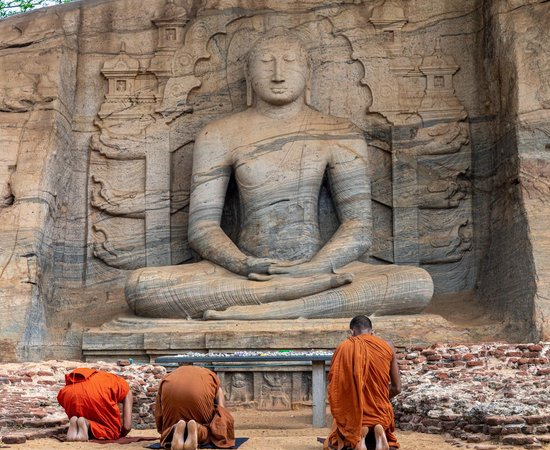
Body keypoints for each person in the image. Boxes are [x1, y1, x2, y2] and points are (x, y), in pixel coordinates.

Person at [124, 30, 433, 320]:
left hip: (322, 268)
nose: (277, 73)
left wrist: (315, 268)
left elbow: (358, 226)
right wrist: (243, 264)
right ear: (248, 74)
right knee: (142, 287)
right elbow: (202, 228)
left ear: (308, 72)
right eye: (265, 62)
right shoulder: (218, 134)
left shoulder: (339, 132)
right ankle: (300, 301)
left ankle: (267, 309)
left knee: (415, 283)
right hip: (243, 273)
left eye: (290, 62)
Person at [324, 315, 401, 450]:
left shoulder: (344, 347)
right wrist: (379, 399)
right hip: (380, 411)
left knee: (346, 417)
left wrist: (357, 401)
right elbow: (397, 388)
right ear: (372, 331)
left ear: (352, 332)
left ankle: (359, 439)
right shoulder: (387, 346)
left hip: (356, 415)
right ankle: (379, 430)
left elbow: (337, 388)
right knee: (379, 414)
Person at [155, 365, 235, 450]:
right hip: (199, 401)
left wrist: (163, 430)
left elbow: (159, 412)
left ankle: (174, 429)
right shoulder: (210, 375)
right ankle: (197, 429)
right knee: (211, 431)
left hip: (170, 392)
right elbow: (221, 410)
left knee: (169, 428)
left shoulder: (168, 376)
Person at [57, 368, 133, 442]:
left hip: (68, 393)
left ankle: (76, 424)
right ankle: (87, 423)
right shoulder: (125, 387)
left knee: (83, 414)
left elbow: (61, 400)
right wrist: (120, 434)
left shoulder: (106, 378)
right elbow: (127, 426)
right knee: (111, 431)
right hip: (98, 394)